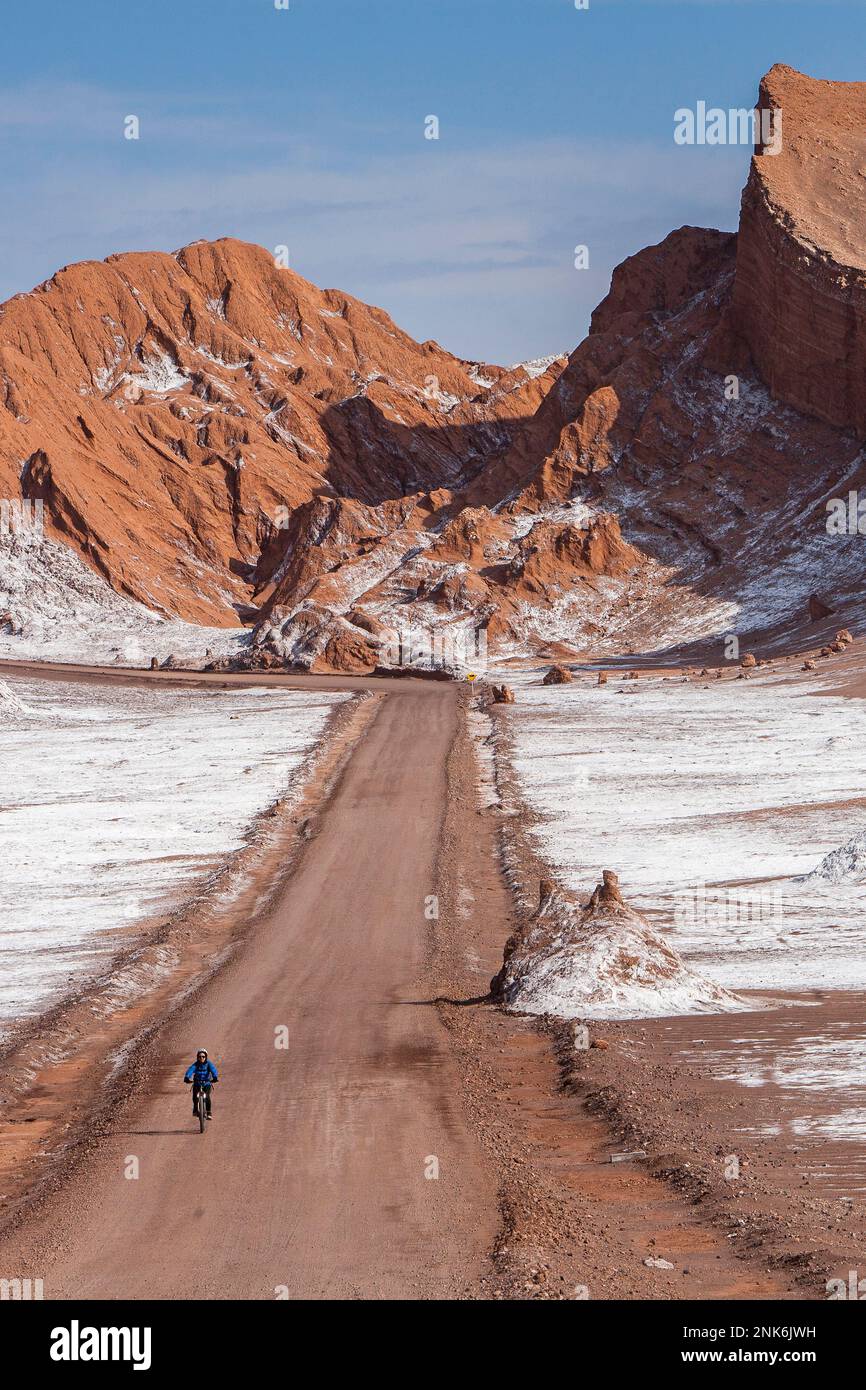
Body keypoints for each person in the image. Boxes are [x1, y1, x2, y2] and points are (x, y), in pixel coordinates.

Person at [183, 1049, 219, 1120]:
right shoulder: (196, 1064)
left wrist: (215, 1077)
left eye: (203, 1056)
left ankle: (209, 1112)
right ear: (197, 1057)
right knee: (195, 1097)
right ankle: (196, 1110)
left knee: (207, 1097)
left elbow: (213, 1070)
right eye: (199, 1056)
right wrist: (187, 1077)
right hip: (197, 1083)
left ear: (206, 1057)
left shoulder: (209, 1064)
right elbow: (190, 1070)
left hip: (206, 1083)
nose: (201, 1058)